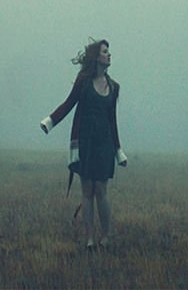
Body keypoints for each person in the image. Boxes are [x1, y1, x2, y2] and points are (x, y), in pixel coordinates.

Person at [40, 38, 127, 250]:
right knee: (87, 190)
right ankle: (89, 239)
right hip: (86, 143)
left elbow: (112, 120)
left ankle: (105, 236)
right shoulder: (84, 82)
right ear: (97, 57)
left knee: (101, 190)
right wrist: (49, 121)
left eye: (109, 52)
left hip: (105, 144)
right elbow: (69, 104)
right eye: (105, 52)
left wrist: (119, 151)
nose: (109, 55)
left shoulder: (114, 87)